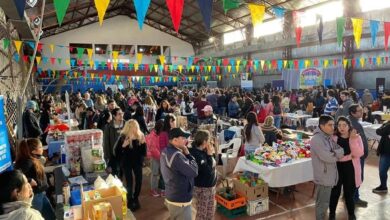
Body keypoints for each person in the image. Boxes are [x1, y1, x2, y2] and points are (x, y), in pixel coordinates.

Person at [329, 117, 364, 220]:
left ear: (349, 126)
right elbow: (333, 154)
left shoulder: (356, 137)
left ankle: (351, 214)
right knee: (335, 192)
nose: (341, 128)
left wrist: (352, 140)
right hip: (337, 168)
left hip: (351, 169)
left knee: (349, 194)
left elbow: (359, 153)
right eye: (339, 125)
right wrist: (349, 156)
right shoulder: (334, 138)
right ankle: (332, 213)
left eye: (344, 125)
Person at [310, 115, 344, 220]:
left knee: (324, 202)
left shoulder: (327, 137)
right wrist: (336, 155)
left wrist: (335, 153)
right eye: (330, 125)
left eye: (333, 125)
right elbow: (327, 157)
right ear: (322, 126)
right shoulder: (317, 139)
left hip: (329, 175)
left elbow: (341, 150)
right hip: (324, 177)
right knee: (322, 204)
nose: (333, 127)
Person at [160, 128, 198, 220]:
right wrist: (188, 154)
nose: (186, 140)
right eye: (183, 137)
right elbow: (194, 171)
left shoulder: (166, 150)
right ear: (175, 140)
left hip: (171, 194)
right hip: (180, 200)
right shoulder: (177, 156)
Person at [14, 138, 55, 220]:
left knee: (51, 216)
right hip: (35, 196)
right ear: (33, 151)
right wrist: (29, 180)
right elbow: (17, 176)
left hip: (41, 193)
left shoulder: (33, 158)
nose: (42, 148)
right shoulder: (26, 162)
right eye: (40, 147)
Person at [114, 120, 147, 211]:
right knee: (129, 182)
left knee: (139, 180)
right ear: (128, 128)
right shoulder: (123, 137)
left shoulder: (140, 136)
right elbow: (117, 153)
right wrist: (123, 146)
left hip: (137, 162)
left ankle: (136, 197)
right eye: (133, 127)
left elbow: (144, 153)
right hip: (126, 162)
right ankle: (130, 199)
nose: (135, 129)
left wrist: (143, 144)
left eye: (136, 127)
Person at [189, 130, 217, 220]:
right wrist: (209, 155)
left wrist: (212, 153)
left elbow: (216, 163)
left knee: (210, 211)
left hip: (210, 187)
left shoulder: (203, 151)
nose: (210, 143)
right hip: (203, 188)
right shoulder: (197, 155)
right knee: (202, 214)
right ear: (204, 142)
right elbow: (208, 171)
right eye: (209, 141)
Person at [347, 104, 369, 207]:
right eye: (359, 111)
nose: (362, 112)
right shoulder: (353, 124)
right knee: (357, 177)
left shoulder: (352, 121)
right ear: (352, 113)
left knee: (353, 177)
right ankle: (354, 198)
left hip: (356, 155)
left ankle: (350, 196)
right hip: (357, 156)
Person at [103, 107, 125, 177]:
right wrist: (107, 156)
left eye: (122, 113)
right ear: (114, 116)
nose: (121, 115)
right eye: (119, 114)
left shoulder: (127, 124)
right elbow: (106, 143)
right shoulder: (108, 127)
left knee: (123, 172)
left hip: (125, 153)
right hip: (114, 154)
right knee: (115, 173)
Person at [146, 120, 165, 197]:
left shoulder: (163, 134)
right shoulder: (152, 135)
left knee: (163, 173)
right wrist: (161, 156)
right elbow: (152, 148)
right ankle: (153, 189)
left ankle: (163, 189)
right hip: (155, 157)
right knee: (154, 173)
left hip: (162, 156)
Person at [372, 121, 390, 194]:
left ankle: (383, 186)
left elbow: (379, 131)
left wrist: (383, 126)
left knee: (382, 170)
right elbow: (379, 131)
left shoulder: (388, 125)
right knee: (382, 171)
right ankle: (383, 187)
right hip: (386, 151)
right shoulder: (388, 124)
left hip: (386, 152)